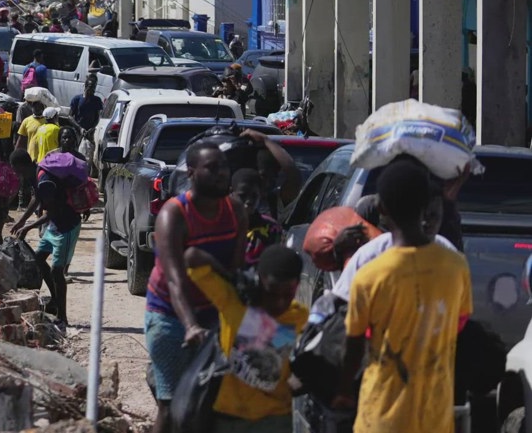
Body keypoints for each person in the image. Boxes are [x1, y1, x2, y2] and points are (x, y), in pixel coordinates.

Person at [332, 159, 473, 433]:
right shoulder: (456, 266)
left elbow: (354, 344)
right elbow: (460, 323)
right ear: (427, 206)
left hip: (380, 417)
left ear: (382, 209)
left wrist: (343, 390)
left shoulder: (369, 275)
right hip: (434, 415)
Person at [146, 142, 248, 433]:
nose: (221, 174)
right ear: (191, 173)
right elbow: (175, 279)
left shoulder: (235, 210)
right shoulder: (174, 215)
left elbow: (235, 272)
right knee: (172, 406)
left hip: (214, 314)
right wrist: (190, 325)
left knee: (209, 404)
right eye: (212, 168)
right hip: (170, 316)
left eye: (224, 167)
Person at [185, 244, 308, 433]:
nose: (280, 302)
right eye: (272, 292)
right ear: (260, 281)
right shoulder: (233, 302)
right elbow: (192, 256)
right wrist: (234, 279)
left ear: (297, 285)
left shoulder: (298, 316)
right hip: (230, 417)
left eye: (288, 294)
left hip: (275, 418)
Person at [12, 151, 86, 326]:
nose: (17, 175)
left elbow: (52, 213)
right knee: (38, 259)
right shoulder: (38, 174)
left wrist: (28, 227)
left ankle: (63, 316)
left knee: (57, 271)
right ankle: (54, 300)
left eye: (17, 171)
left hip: (66, 226)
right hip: (55, 225)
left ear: (22, 166)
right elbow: (36, 199)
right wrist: (22, 220)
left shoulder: (45, 181)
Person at [230, 168, 283, 266]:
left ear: (260, 196)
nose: (249, 201)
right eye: (242, 195)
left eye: (254, 196)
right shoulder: (219, 224)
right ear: (232, 193)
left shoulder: (272, 228)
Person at [249, 130, 302, 219]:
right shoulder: (235, 197)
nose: (260, 181)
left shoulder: (275, 201)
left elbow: (294, 175)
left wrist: (266, 140)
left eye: (265, 176)